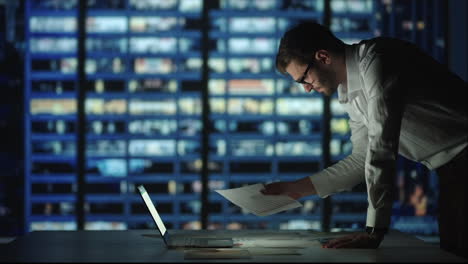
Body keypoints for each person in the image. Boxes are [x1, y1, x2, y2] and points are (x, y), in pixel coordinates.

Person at [261, 21, 468, 259]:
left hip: (463, 154)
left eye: (303, 79)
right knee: (453, 253)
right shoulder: (349, 95)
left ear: (323, 57)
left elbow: (382, 147)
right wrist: (295, 189)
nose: (307, 88)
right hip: (451, 169)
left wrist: (374, 230)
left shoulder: (377, 60)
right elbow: (362, 160)